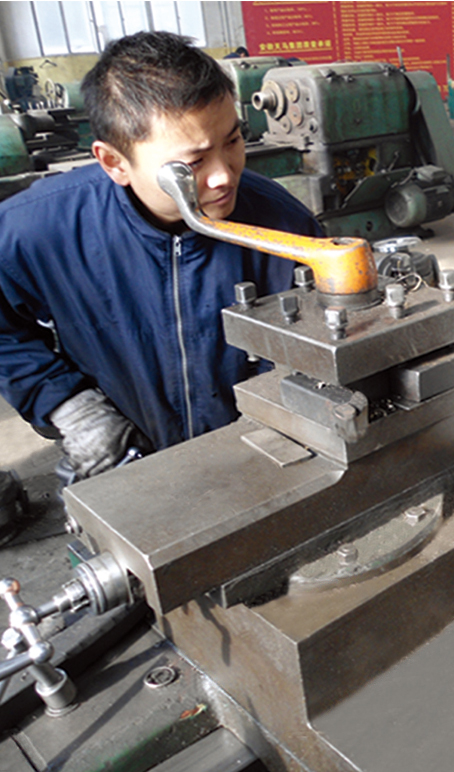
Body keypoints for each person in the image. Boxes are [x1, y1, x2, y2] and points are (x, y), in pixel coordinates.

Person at [0, 31, 323, 481]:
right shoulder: (36, 231)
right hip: (128, 462)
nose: (223, 176)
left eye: (232, 141)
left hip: (257, 457)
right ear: (114, 162)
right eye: (193, 162)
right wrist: (69, 407)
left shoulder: (282, 227)